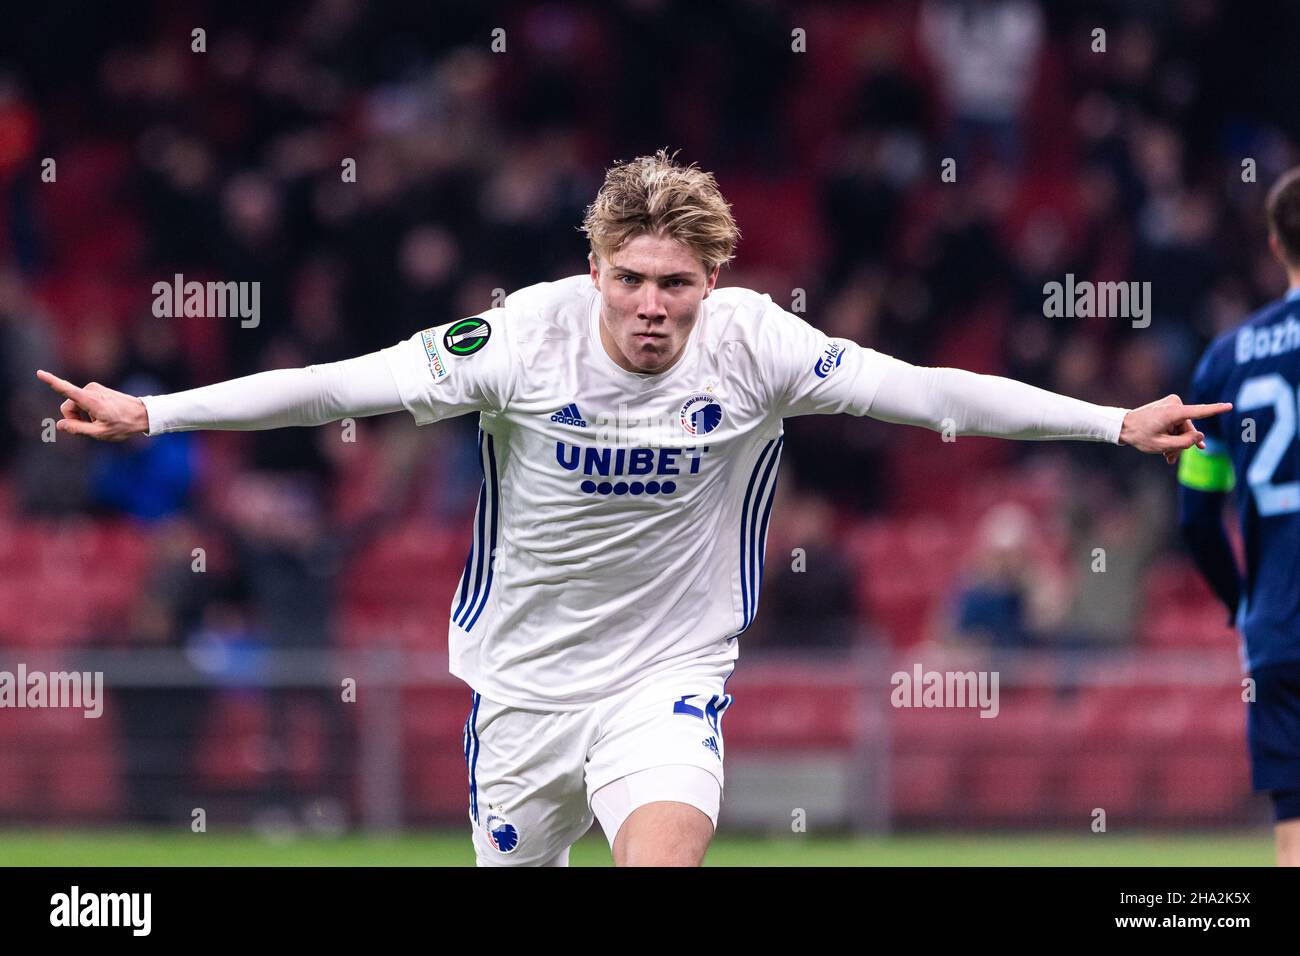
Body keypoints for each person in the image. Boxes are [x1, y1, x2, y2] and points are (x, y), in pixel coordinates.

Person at [38, 149, 1228, 867]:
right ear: (593, 268)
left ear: (712, 282)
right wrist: (159, 413)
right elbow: (340, 387)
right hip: (521, 685)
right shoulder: (520, 337)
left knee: (666, 847)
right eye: (631, 279)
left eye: (677, 284)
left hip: (665, 674)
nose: (652, 306)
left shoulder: (758, 344)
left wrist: (1107, 423)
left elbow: (927, 396)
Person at [1178, 165, 1300, 867]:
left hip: (1280, 631)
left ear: (1276, 246)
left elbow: (1196, 517)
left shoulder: (1224, 363)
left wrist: (1242, 603)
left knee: (1294, 831)